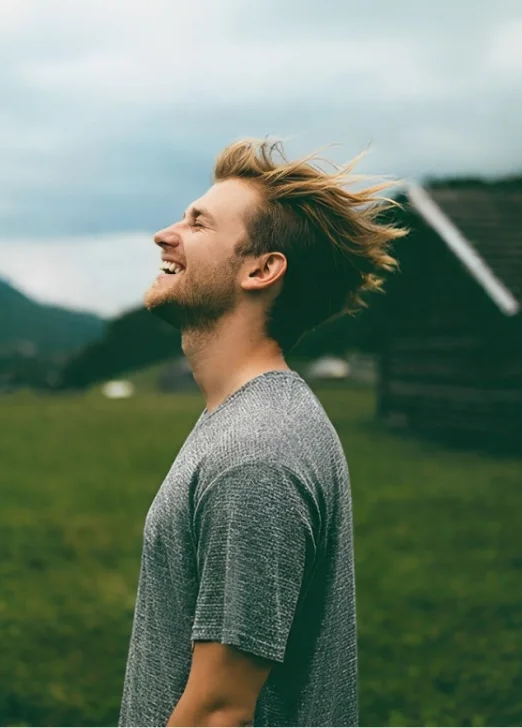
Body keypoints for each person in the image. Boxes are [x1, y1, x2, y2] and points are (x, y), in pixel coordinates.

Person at [119, 138, 407, 727]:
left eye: (198, 224)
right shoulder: (250, 421)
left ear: (261, 268)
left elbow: (218, 713)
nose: (165, 234)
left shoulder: (256, 452)